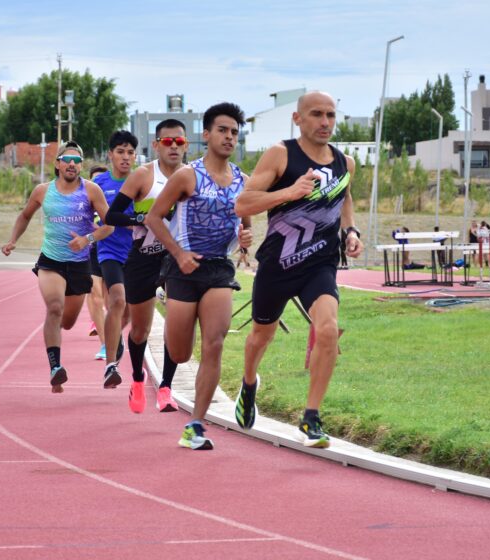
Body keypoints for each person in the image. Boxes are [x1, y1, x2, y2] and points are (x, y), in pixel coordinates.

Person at [233, 91, 364, 448]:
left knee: (328, 330)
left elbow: (345, 197)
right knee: (261, 336)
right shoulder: (280, 154)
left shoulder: (345, 162)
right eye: (317, 114)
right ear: (298, 119)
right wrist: (289, 192)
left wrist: (350, 231)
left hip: (319, 264)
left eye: (331, 115)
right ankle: (248, 384)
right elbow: (243, 202)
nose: (325, 122)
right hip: (277, 265)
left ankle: (311, 417)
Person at [146, 102, 252, 450]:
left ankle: (196, 424)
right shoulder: (187, 176)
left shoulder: (243, 181)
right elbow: (154, 218)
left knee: (215, 344)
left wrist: (246, 241)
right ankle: (179, 340)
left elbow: (245, 220)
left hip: (218, 268)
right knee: (178, 353)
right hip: (182, 268)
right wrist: (178, 253)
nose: (229, 137)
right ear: (206, 135)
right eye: (222, 130)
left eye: (234, 132)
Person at [2, 141, 112, 393]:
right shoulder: (43, 191)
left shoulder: (92, 191)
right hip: (50, 261)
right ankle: (55, 368)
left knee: (68, 321)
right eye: (67, 159)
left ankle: (57, 335)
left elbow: (110, 226)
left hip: (79, 263)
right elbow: (25, 215)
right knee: (54, 307)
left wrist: (87, 239)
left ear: (81, 165)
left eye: (77, 160)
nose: (72, 164)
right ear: (58, 163)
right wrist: (12, 240)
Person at [105, 118, 188, 414]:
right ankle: (139, 379)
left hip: (176, 259)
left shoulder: (194, 176)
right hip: (142, 257)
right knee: (140, 330)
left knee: (176, 327)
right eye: (168, 141)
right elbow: (111, 217)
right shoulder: (143, 175)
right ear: (156, 145)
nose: (174, 146)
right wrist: (140, 219)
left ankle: (166, 387)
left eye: (180, 141)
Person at [94, 131, 138, 389]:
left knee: (129, 312)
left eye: (130, 152)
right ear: (110, 154)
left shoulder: (141, 182)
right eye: (120, 152)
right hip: (109, 252)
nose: (125, 157)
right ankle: (111, 364)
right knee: (117, 299)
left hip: (136, 253)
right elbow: (88, 212)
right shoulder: (99, 183)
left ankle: (115, 339)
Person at [86, 165, 109, 361]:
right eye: (95, 180)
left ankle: (114, 332)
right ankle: (105, 344)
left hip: (112, 251)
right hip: (92, 252)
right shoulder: (85, 198)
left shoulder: (113, 196)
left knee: (112, 301)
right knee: (95, 295)